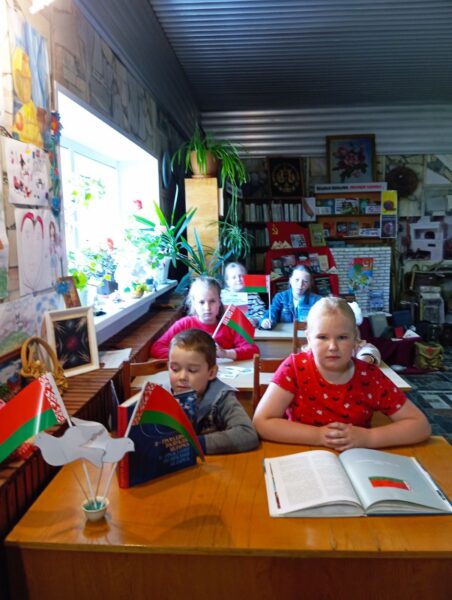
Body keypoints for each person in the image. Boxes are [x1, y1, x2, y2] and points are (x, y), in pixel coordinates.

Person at [253, 297, 431, 451]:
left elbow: (420, 426)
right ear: (309, 338)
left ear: (355, 339)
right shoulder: (294, 368)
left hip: (356, 461)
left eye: (342, 337)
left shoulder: (370, 376)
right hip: (303, 458)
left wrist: (369, 438)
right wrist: (318, 436)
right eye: (322, 337)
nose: (333, 347)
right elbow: (262, 422)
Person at [163, 328, 258, 454]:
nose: (182, 377)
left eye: (192, 370)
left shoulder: (221, 396)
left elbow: (247, 434)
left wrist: (193, 444)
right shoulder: (160, 395)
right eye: (175, 369)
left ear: (212, 372)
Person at [150, 276, 260, 360]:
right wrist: (189, 356)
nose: (207, 308)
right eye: (201, 302)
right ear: (194, 303)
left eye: (212, 301)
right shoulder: (185, 324)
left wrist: (226, 353)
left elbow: (253, 350)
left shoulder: (229, 324)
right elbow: (157, 348)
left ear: (219, 302)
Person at [260, 265, 321, 329]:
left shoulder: (317, 300)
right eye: (297, 280)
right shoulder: (280, 297)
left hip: (306, 334)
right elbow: (272, 312)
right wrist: (265, 321)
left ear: (310, 284)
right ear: (291, 280)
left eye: (305, 281)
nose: (300, 285)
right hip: (284, 334)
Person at [221, 262, 266, 327]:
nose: (238, 279)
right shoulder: (222, 295)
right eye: (234, 277)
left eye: (241, 276)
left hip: (248, 329)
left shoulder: (253, 295)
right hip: (226, 329)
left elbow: (261, 312)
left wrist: (254, 320)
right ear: (228, 281)